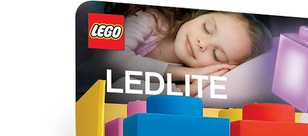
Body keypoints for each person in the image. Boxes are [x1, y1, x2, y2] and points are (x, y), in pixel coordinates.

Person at [89, 5, 272, 97]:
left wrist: (189, 89)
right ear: (200, 14)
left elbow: (118, 92)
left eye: (216, 54)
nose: (202, 43)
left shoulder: (185, 83)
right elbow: (103, 60)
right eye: (207, 28)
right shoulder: (150, 17)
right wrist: (188, 74)